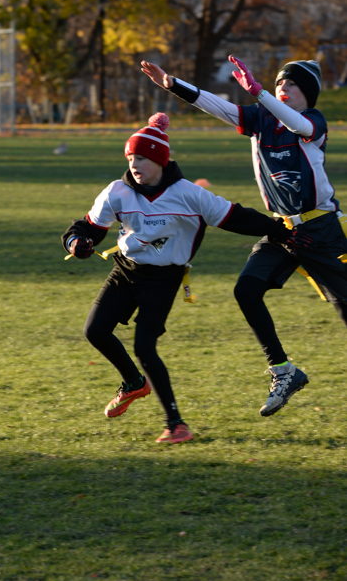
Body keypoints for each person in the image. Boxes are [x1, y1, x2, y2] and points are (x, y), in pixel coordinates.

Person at [62, 112, 308, 443]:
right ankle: (134, 383)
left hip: (164, 278)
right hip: (126, 269)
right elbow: (88, 227)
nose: (135, 165)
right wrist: (77, 242)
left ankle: (176, 424)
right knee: (95, 331)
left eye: (142, 158)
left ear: (160, 160)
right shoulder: (117, 191)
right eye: (131, 158)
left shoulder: (188, 193)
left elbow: (235, 216)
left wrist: (279, 230)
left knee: (145, 346)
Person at [141, 56, 347, 417]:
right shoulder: (260, 119)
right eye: (280, 83)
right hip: (282, 229)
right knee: (246, 290)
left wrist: (261, 92)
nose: (284, 88)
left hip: (321, 229)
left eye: (292, 83)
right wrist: (171, 84)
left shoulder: (314, 121)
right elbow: (216, 105)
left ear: (308, 93)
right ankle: (283, 371)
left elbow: (297, 124)